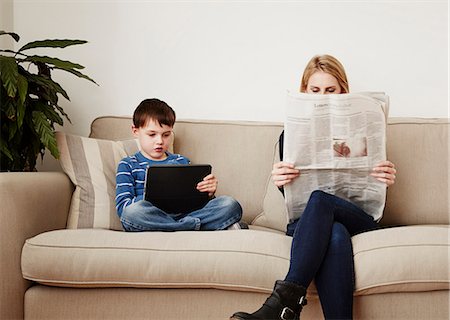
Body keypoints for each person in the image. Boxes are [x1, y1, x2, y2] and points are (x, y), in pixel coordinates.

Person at [230, 54, 396, 320]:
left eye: (330, 90)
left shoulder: (361, 130)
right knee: (335, 233)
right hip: (309, 224)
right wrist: (282, 182)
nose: (322, 96)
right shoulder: (292, 135)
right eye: (315, 90)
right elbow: (293, 197)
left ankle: (283, 305)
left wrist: (383, 177)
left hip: (356, 216)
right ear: (304, 92)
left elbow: (369, 182)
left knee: (322, 201)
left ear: (343, 90)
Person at [116, 98, 245, 232]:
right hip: (153, 217)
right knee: (132, 213)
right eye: (152, 134)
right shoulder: (128, 164)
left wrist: (209, 193)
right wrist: (154, 193)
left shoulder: (181, 161)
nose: (159, 141)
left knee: (230, 205)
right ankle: (195, 226)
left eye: (166, 135)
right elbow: (123, 208)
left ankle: (180, 226)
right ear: (135, 131)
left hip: (187, 214)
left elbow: (198, 203)